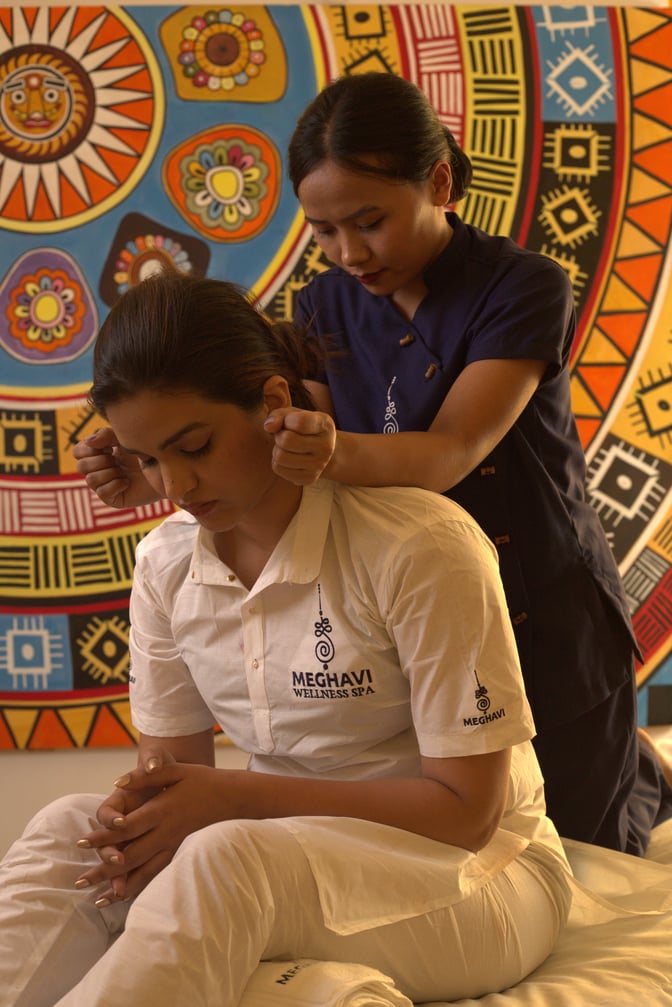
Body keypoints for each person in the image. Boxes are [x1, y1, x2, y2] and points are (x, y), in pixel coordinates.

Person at [73, 73, 672, 856]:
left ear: (441, 183)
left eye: (369, 221)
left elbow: (452, 448)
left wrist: (329, 450)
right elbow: (280, 436)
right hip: (413, 603)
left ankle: (636, 785)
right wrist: (149, 461)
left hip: (539, 599)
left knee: (585, 844)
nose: (349, 251)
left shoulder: (523, 286)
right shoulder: (327, 303)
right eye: (323, 230)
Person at [1, 271, 572, 1007]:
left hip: (483, 874)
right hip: (284, 849)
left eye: (194, 445)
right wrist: (138, 816)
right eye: (146, 460)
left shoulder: (420, 545)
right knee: (70, 829)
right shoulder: (166, 563)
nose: (172, 483)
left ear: (273, 403)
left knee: (226, 855)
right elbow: (176, 776)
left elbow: (467, 812)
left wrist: (232, 797)